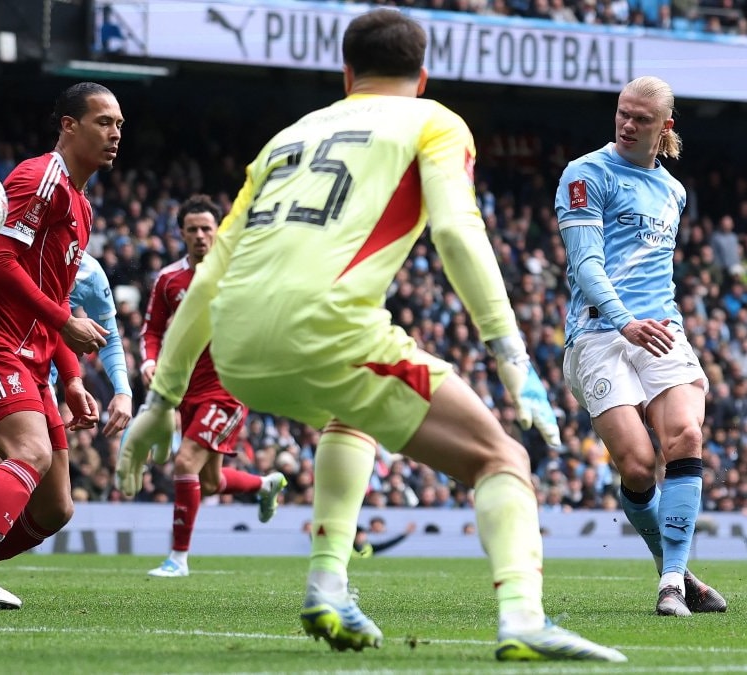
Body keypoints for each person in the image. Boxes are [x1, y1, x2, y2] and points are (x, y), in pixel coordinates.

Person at [117, 10, 625, 663]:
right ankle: (523, 616)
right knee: (501, 458)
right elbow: (456, 232)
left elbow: (211, 273)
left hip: (236, 344)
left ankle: (328, 581)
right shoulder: (433, 120)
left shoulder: (286, 138)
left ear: (347, 73)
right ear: (424, 76)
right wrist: (511, 355)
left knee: (346, 412)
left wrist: (160, 401)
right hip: (326, 327)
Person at [556, 75, 726, 617]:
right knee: (636, 464)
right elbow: (586, 266)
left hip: (660, 330)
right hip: (599, 333)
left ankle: (672, 583)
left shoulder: (674, 192)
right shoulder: (585, 174)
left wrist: (659, 327)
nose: (628, 125)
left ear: (664, 127)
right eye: (623, 114)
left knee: (687, 433)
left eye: (642, 119)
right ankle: (670, 565)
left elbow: (659, 273)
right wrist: (625, 321)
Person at [0, 81, 122, 608]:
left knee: (55, 509)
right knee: (29, 452)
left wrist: (70, 378)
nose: (115, 133)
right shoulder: (39, 177)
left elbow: (54, 295)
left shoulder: (82, 207)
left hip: (29, 353)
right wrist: (65, 323)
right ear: (69, 125)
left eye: (119, 124)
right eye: (103, 122)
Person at [0, 251, 133, 562]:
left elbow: (100, 333)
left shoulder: (88, 272)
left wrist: (118, 390)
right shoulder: (2, 249)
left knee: (56, 508)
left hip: (36, 380)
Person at [136, 194, 286, 578]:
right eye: (192, 230)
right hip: (187, 390)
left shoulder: (240, 274)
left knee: (184, 460)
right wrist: (150, 360)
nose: (200, 236)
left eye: (207, 228)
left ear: (218, 232)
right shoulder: (169, 279)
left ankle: (178, 559)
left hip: (229, 388)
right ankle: (264, 484)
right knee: (211, 481)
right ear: (181, 234)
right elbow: (151, 329)